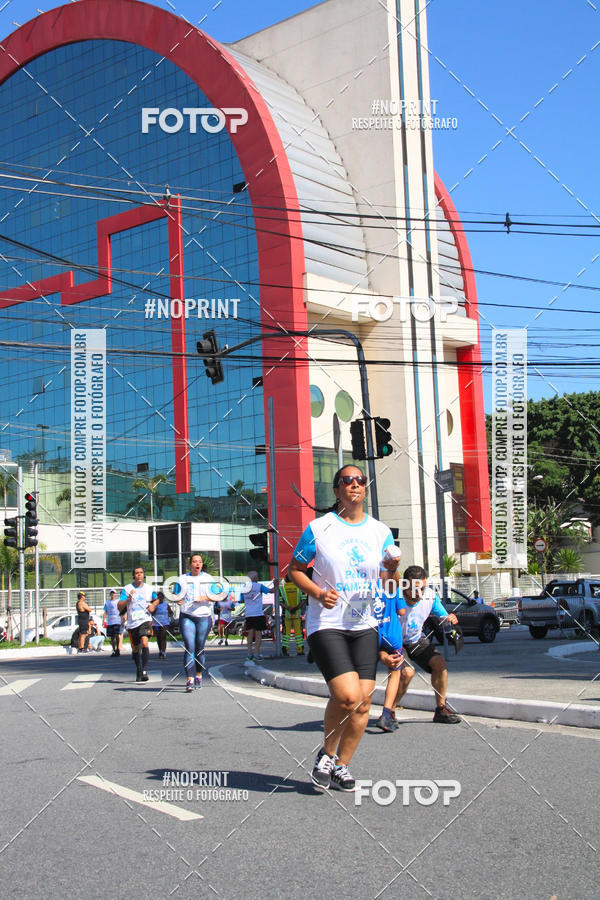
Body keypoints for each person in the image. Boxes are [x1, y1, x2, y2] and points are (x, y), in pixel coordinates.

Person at [289, 464, 402, 792]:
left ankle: (341, 765)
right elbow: (295, 570)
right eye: (347, 480)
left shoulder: (380, 532)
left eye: (360, 480)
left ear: (365, 489)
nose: (355, 484)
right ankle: (325, 754)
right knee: (347, 695)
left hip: (364, 623)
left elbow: (388, 585)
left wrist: (392, 570)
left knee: (364, 702)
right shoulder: (318, 528)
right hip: (327, 623)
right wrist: (318, 593)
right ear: (337, 490)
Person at [381, 565, 462, 724]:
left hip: (416, 640)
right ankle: (389, 712)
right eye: (414, 589)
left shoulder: (430, 596)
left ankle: (440, 710)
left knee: (440, 664)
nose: (419, 593)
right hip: (395, 642)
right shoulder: (392, 595)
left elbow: (443, 617)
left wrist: (450, 619)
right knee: (407, 673)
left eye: (423, 588)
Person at [373, 556, 409, 732]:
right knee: (394, 673)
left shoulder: (366, 588)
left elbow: (353, 614)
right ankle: (386, 713)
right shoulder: (393, 588)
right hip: (393, 635)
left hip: (371, 634)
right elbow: (401, 611)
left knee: (365, 676)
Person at [173, 554, 214, 692]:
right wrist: (176, 599)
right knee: (189, 647)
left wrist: (203, 597)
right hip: (187, 616)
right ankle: (189, 680)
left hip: (203, 616)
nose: (197, 564)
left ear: (202, 565)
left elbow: (217, 596)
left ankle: (198, 675)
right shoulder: (183, 578)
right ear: (190, 564)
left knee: (199, 648)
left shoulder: (207, 579)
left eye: (200, 562)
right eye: (195, 561)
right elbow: (174, 594)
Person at [118, 566, 159, 682]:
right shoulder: (127, 589)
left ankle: (145, 670)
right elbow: (119, 605)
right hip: (132, 622)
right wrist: (128, 599)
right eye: (137, 573)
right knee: (136, 648)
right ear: (133, 576)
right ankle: (139, 669)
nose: (139, 575)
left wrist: (153, 605)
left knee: (145, 642)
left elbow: (156, 599)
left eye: (141, 573)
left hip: (145, 619)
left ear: (143, 575)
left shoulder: (149, 588)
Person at [242, 571, 275, 661]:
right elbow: (271, 591)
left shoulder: (244, 587)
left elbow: (241, 600)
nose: (258, 578)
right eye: (257, 577)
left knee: (249, 634)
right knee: (258, 634)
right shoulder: (259, 586)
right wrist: (276, 585)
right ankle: (256, 654)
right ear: (254, 578)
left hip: (248, 614)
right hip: (258, 613)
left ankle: (249, 654)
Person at [279, 575, 306, 656]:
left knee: (286, 634)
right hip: (297, 614)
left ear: (285, 580)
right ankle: (300, 650)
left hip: (286, 614)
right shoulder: (300, 588)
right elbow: (303, 600)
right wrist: (296, 608)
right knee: (298, 633)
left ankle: (285, 650)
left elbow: (280, 602)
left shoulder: (282, 589)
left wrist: (288, 608)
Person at [152, 591, 171, 659]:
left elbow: (171, 612)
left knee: (163, 637)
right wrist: (155, 610)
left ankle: (163, 652)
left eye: (161, 597)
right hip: (156, 623)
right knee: (158, 638)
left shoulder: (166, 605)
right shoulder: (154, 605)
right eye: (158, 597)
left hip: (165, 623)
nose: (160, 598)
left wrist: (169, 615)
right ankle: (160, 650)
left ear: (163, 598)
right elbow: (151, 613)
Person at [104, 590, 123, 657]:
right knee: (112, 637)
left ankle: (118, 649)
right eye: (111, 593)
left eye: (114, 593)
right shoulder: (107, 602)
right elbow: (105, 612)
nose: (112, 595)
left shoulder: (118, 602)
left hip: (117, 621)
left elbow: (121, 610)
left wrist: (122, 619)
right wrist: (104, 620)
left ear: (115, 594)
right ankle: (114, 650)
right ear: (110, 595)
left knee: (117, 635)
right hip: (110, 621)